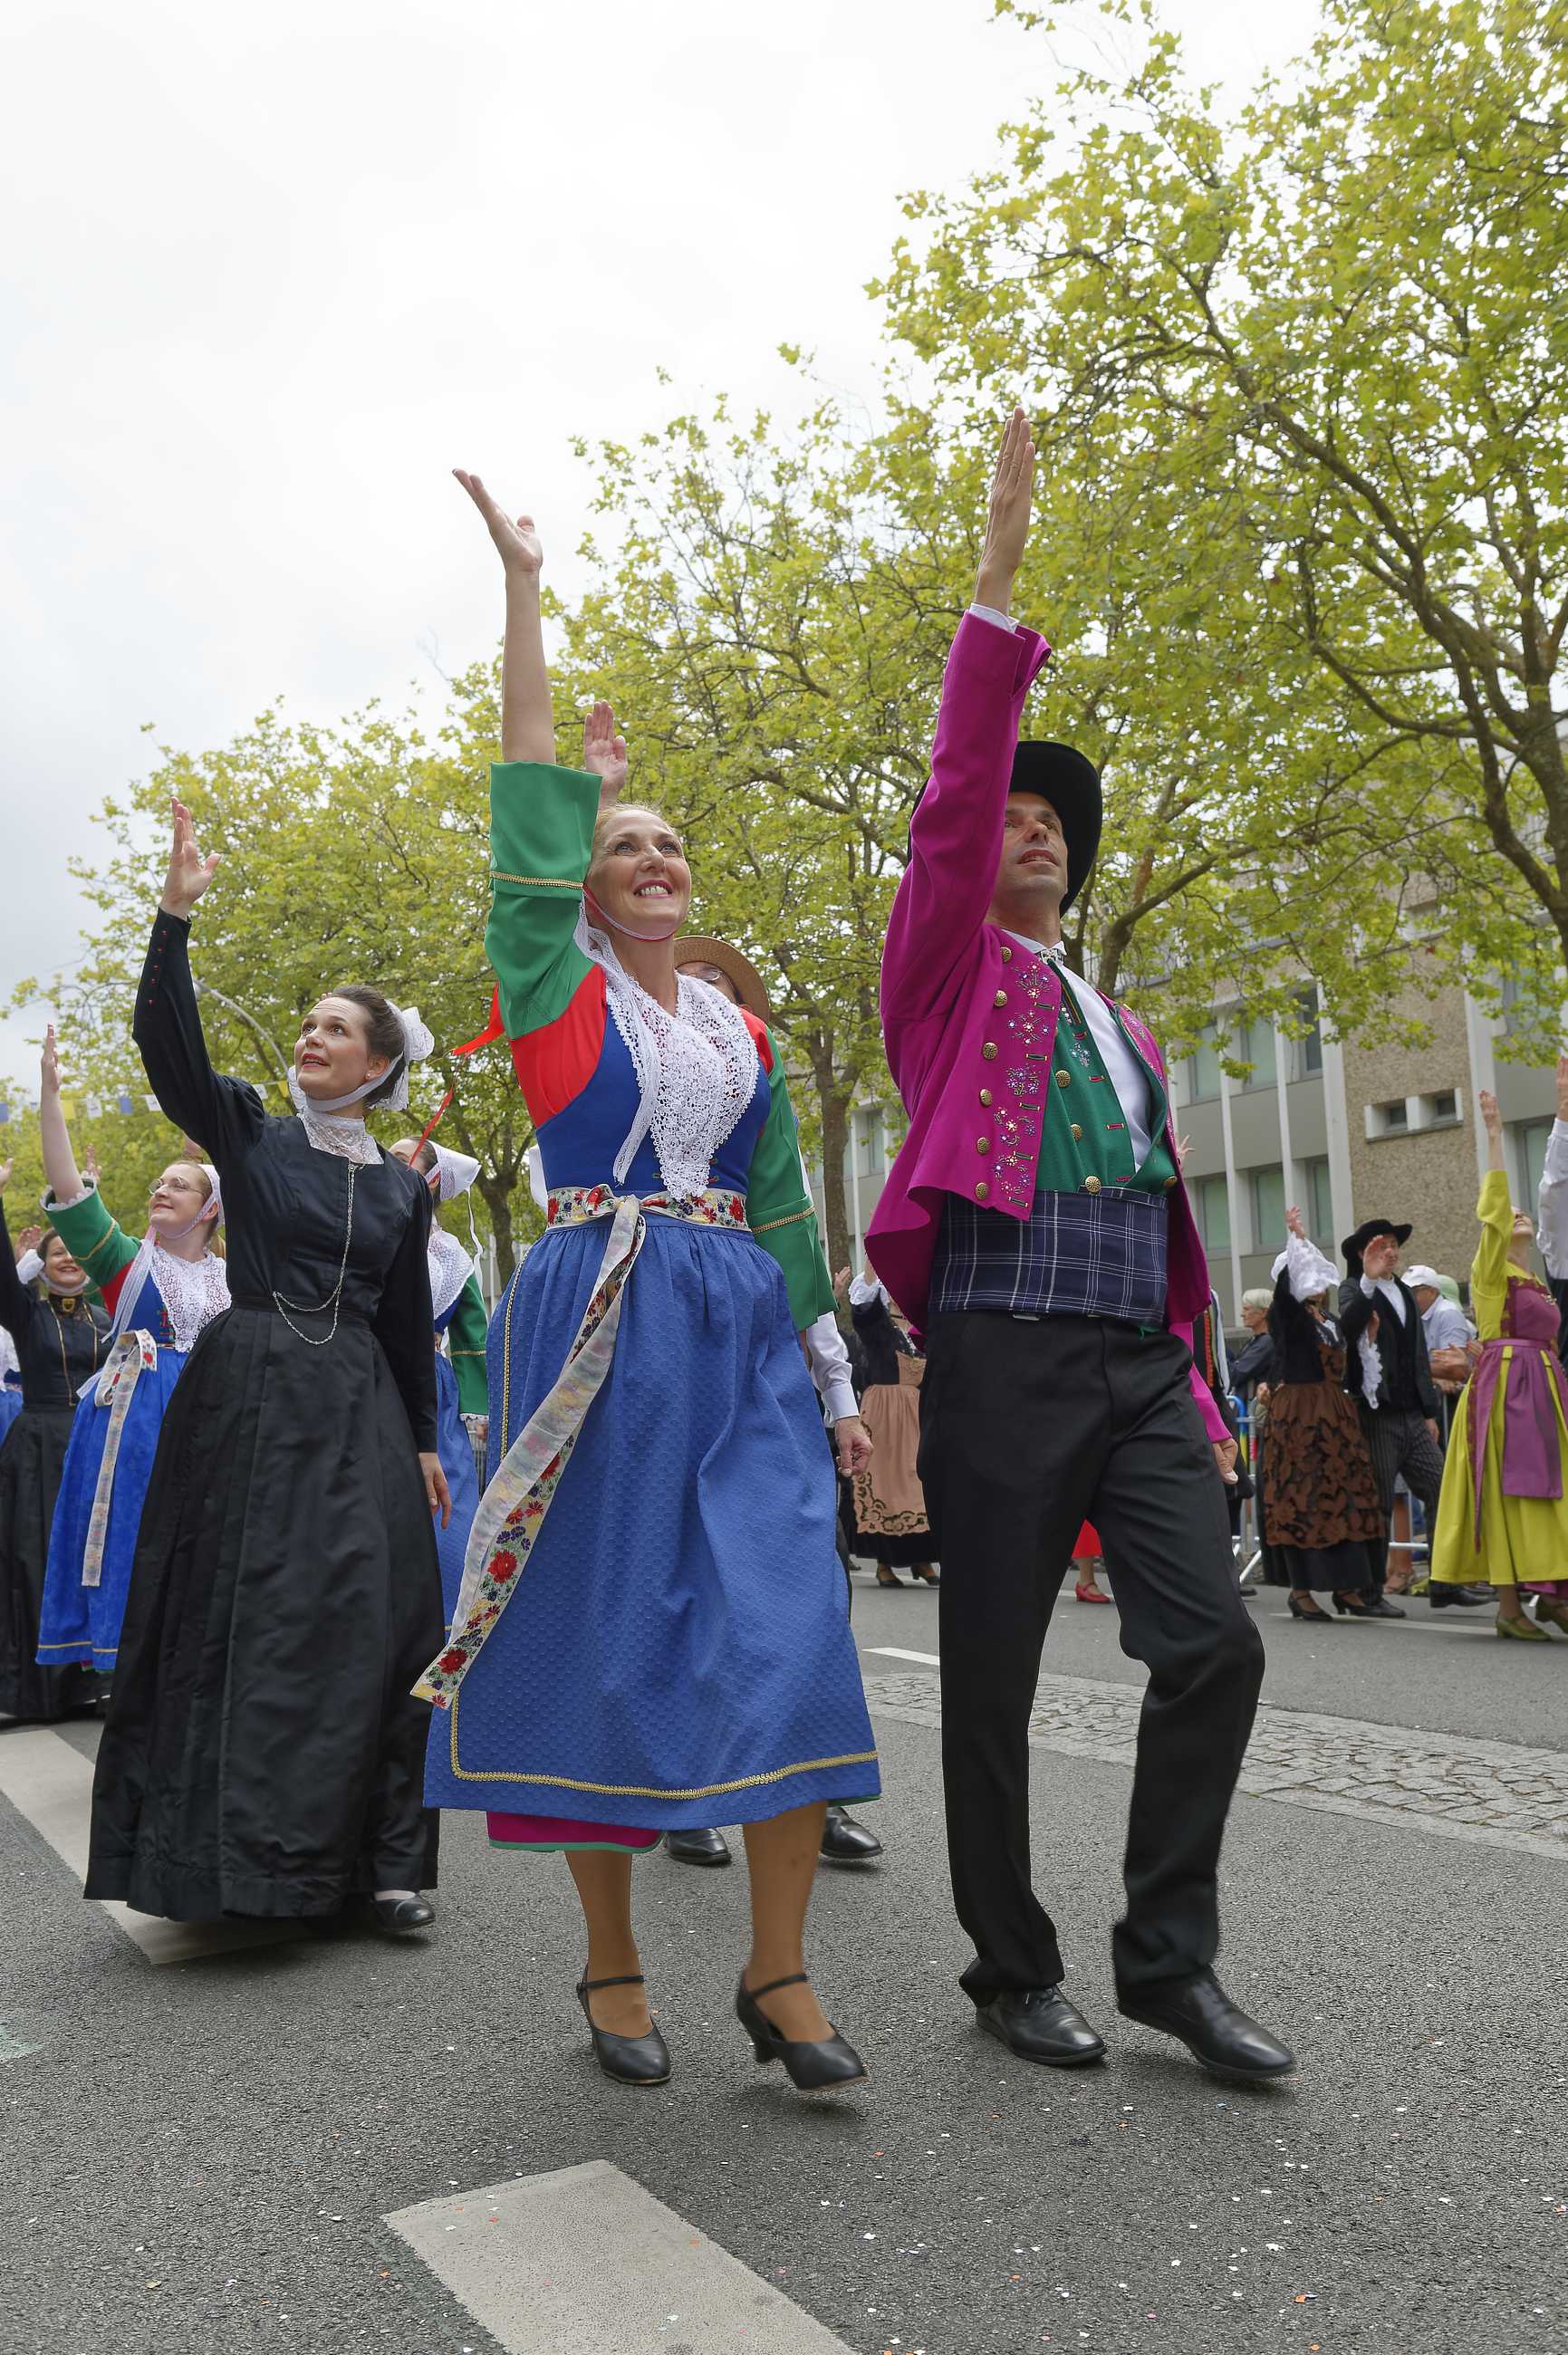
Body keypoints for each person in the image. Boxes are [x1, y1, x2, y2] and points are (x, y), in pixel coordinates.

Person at [419, 475, 879, 2094]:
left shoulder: (743, 1034)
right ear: (586, 886)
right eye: (626, 844)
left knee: (791, 1621)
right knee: (605, 1641)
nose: (656, 855)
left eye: (671, 840)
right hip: (596, 1318)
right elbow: (526, 794)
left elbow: (781, 1208)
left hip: (738, 1325)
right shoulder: (550, 994)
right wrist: (525, 593)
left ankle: (779, 1969)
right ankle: (612, 1962)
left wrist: (840, 1384)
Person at [867, 409, 1286, 2085]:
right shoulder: (947, 975)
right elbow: (957, 799)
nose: (1031, 825)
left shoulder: (1124, 1026)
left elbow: (1164, 1210)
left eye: (1057, 819)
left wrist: (1190, 1377)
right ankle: (1006, 1963)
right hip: (999, 1349)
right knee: (988, 1675)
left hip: (1135, 1360)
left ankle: (1167, 1962)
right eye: (1015, 816)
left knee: (1216, 1640)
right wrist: (994, 589)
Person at [85, 802, 449, 1929]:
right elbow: (168, 1048)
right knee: (242, 1613)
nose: (310, 1036)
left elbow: (403, 1329)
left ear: (380, 1061)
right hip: (245, 1393)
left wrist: (430, 1441)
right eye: (306, 1023)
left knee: (378, 1619)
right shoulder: (248, 1130)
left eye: (335, 1027)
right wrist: (173, 918)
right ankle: (228, 1861)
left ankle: (385, 1867)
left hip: (359, 1411)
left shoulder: (401, 1186)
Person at [660, 936, 882, 1874]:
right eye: (689, 991)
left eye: (725, 996)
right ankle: (687, 1787)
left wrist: (839, 1395)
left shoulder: (765, 1117)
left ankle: (810, 1783)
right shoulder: (619, 1087)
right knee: (678, 1580)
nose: (707, 1006)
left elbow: (795, 1245)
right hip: (661, 1335)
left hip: (761, 1348)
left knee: (798, 1579)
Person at [34, 1024, 228, 1681]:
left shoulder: (240, 1281)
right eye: (159, 1182)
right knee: (133, 1542)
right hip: (134, 1423)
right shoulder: (127, 1264)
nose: (161, 1189)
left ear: (208, 1211)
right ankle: (130, 1685)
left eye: (179, 1184)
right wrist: (49, 1101)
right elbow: (69, 1192)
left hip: (213, 1417)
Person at [1430, 1090, 1568, 1639]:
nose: (1520, 1214)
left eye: (1523, 1211)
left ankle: (1544, 1591)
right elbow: (1493, 1208)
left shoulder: (1537, 1279)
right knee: (1512, 1489)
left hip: (1542, 1388)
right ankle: (1515, 1603)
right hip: (1508, 1391)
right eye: (1513, 1211)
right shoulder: (1491, 1272)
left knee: (1546, 1488)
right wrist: (1493, 1134)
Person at [0, 1174, 110, 1719]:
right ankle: (38, 1688)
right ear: (41, 1265)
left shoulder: (109, 1320)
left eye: (74, 1249)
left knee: (93, 1564)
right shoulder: (27, 1316)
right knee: (37, 1561)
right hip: (39, 1450)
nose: (67, 1258)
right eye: (56, 1251)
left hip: (95, 1451)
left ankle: (95, 1679)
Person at [1260, 1208, 1383, 1621]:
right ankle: (1301, 1590)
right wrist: (1296, 1238)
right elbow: (1283, 1299)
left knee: (1344, 1497)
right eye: (1305, 1270)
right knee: (1305, 1497)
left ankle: (1348, 1586)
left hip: (1333, 1414)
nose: (1314, 1278)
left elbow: (1353, 1321)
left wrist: (1366, 1277)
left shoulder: (1326, 1319)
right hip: (1300, 1417)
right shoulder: (1288, 1317)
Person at [389, 1136, 489, 1631]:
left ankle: (449, 1632)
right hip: (366, 1375)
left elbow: (473, 1338)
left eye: (401, 1157)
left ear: (432, 1181)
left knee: (447, 1512)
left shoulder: (453, 1258)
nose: (387, 1162)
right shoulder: (363, 1226)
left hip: (433, 1393)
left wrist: (477, 1411)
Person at [1338, 1218, 1444, 1614]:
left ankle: (1445, 1582)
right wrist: (1366, 1281)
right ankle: (1368, 1593)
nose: (1392, 1252)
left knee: (1441, 1487)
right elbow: (1348, 1329)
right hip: (1377, 1414)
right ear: (1364, 1254)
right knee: (1378, 1501)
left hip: (1412, 1415)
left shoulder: (1402, 1290)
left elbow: (1417, 1356)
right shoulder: (1352, 1289)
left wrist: (1429, 1410)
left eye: (1395, 1245)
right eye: (1383, 1247)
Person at [844, 1265, 939, 1589]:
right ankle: (886, 1563)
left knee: (918, 1483)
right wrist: (873, 1270)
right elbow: (863, 1309)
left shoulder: (921, 1328)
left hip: (916, 1415)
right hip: (884, 1417)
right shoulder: (879, 1326)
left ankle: (922, 1560)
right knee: (885, 1485)